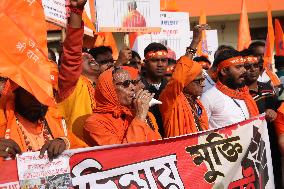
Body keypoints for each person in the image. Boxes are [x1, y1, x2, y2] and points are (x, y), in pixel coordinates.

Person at [58, 2, 131, 142]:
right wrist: (76, 11)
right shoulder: (71, 85)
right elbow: (72, 52)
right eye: (84, 57)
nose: (90, 57)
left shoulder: (102, 87)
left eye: (91, 56)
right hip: (78, 154)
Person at [0, 85, 85, 160]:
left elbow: (86, 152)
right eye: (32, 92)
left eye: (45, 93)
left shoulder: (53, 118)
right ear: (17, 91)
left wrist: (65, 142)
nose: (39, 100)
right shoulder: (3, 118)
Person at [84, 66, 161, 146]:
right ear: (108, 89)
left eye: (132, 82)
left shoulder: (135, 114)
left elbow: (157, 145)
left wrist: (143, 117)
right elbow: (125, 153)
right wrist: (140, 117)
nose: (133, 87)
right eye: (126, 83)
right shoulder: (94, 123)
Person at [242, 49, 282, 189]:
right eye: (247, 66)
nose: (252, 69)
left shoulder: (268, 88)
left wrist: (275, 113)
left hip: (273, 143)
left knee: (276, 178)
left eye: (255, 65)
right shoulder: (239, 93)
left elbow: (278, 111)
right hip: (253, 148)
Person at [159, 25, 209, 138]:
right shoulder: (170, 98)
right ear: (185, 81)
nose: (203, 84)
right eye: (198, 81)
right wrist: (194, 43)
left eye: (203, 80)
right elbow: (177, 78)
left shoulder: (197, 103)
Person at [200, 49, 259, 129]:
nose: (244, 70)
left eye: (243, 66)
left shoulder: (244, 94)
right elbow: (201, 132)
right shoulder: (209, 97)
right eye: (238, 67)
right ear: (224, 71)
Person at [141, 42, 169, 136]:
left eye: (163, 60)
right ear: (145, 63)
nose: (160, 64)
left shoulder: (171, 87)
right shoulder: (136, 87)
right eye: (154, 60)